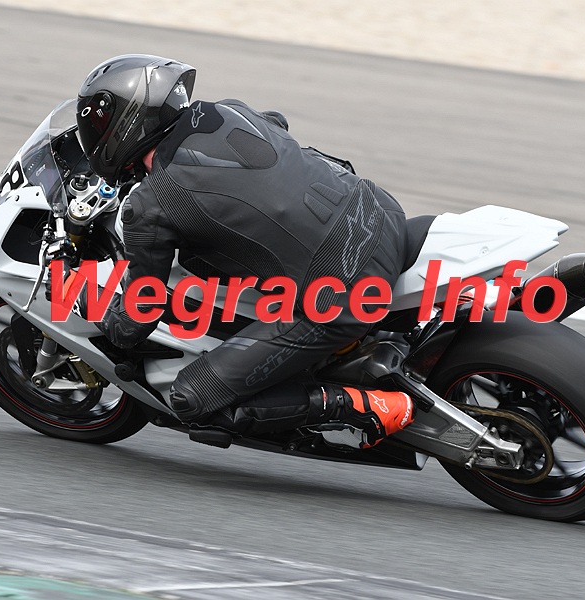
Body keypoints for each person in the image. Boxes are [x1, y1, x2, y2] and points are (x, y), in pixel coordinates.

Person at [75, 54, 414, 449]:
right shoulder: (229, 111)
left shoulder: (150, 205)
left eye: (96, 124)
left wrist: (86, 301)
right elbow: (276, 122)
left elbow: (136, 318)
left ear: (123, 124)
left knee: (192, 399)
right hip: (380, 212)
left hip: (343, 292)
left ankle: (360, 405)